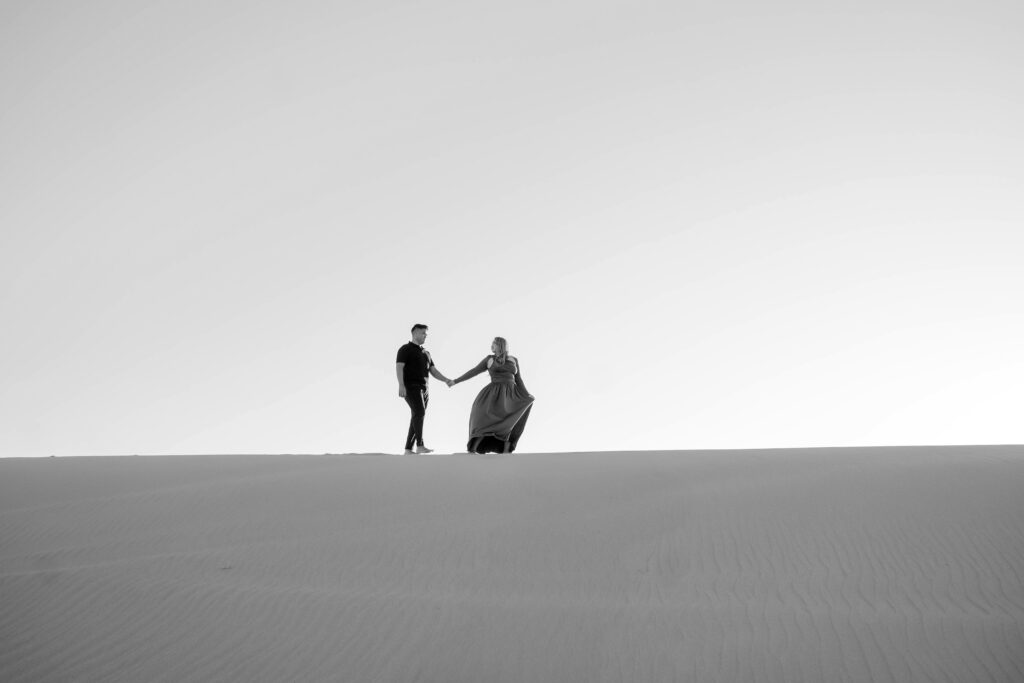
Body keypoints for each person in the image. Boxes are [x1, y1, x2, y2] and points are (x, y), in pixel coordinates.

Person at [448, 337, 534, 454]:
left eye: (494, 343)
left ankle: (506, 450)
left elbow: (518, 379)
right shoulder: (489, 359)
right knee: (482, 420)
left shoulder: (513, 360)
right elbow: (474, 371)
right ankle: (472, 449)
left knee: (510, 421)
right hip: (493, 394)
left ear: (500, 345)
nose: (491, 345)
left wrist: (526, 395)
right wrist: (455, 381)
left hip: (511, 394)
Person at [396, 324, 452, 455]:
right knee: (419, 413)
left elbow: (433, 371)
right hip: (410, 387)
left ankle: (408, 449)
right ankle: (420, 445)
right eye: (423, 333)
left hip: (425, 389)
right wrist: (401, 384)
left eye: (426, 333)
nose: (425, 336)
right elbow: (399, 367)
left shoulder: (426, 353)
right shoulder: (405, 349)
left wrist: (446, 380)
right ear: (415, 333)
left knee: (417, 415)